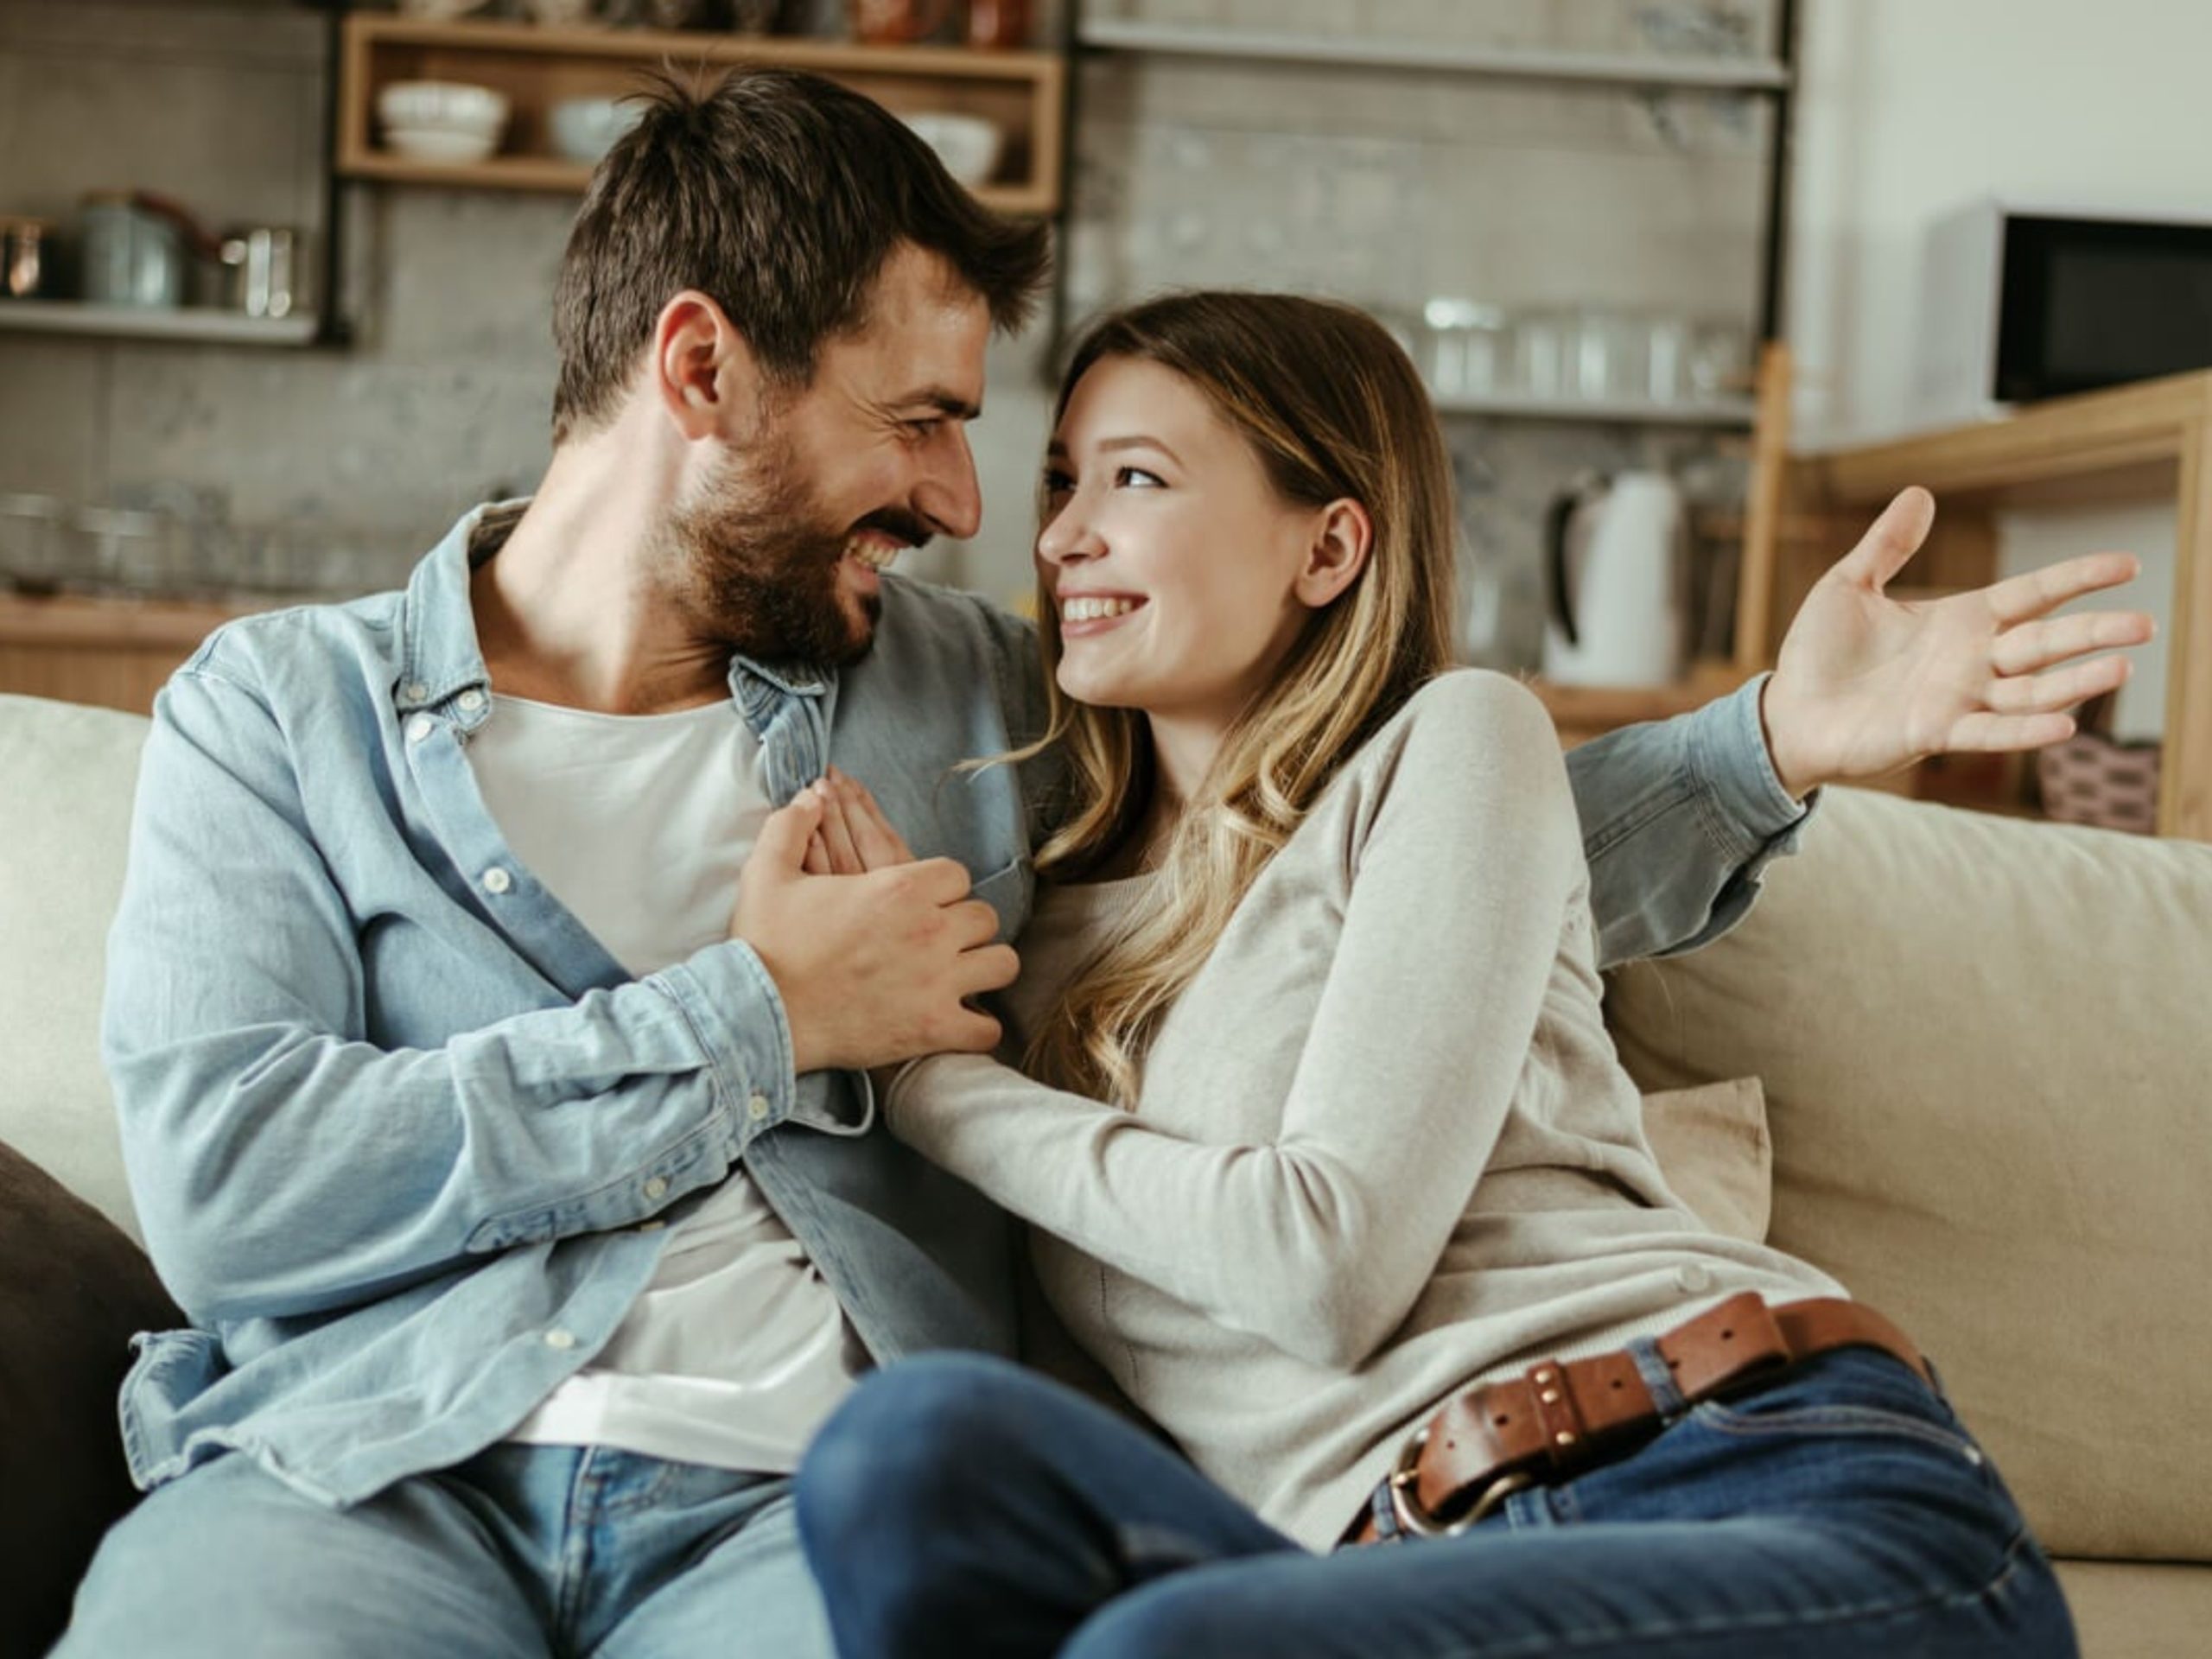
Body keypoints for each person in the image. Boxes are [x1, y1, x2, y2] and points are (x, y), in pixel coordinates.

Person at [67, 68, 2138, 1658]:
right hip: (366, 1471)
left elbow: (1355, 869)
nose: (975, 507)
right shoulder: (283, 711)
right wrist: (757, 1017)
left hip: (797, 1502)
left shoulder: (974, 691)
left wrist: (1761, 745)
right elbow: (239, 1193)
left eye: (1038, 462)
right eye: (922, 425)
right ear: (700, 370)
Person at [790, 292, 2099, 1658]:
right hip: (1377, 1568)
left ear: (1329, 545)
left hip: (1740, 1476)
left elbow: (1323, 1266)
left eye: (1134, 478)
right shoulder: (1035, 940)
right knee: (907, 1449)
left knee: (1167, 1650)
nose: (1061, 535)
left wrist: (932, 1082)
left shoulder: (1454, 746)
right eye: (1062, 482)